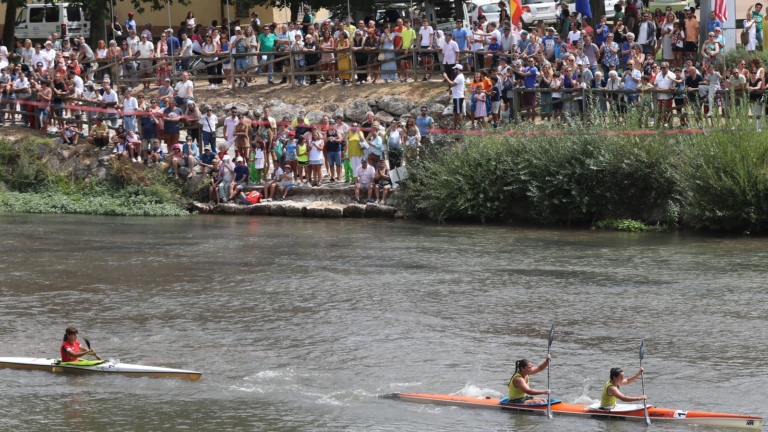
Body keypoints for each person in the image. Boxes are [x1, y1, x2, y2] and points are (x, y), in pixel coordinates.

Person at [445, 64, 466, 129]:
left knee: (458, 113)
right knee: (455, 112)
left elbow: (452, 84)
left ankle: (461, 128)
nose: (454, 70)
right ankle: (455, 126)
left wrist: (446, 77)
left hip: (458, 97)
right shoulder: (458, 76)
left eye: (455, 69)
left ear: (458, 70)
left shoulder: (460, 77)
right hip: (456, 97)